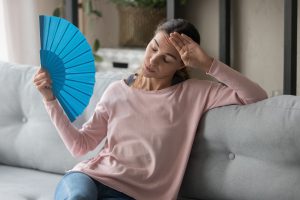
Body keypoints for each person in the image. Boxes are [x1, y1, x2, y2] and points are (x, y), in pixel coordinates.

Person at [33, 18, 268, 200]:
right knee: (78, 197)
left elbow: (255, 96)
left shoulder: (195, 93)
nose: (153, 60)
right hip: (89, 178)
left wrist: (208, 64)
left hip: (134, 194)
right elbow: (79, 145)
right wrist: (50, 100)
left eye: (166, 59)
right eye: (153, 47)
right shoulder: (117, 91)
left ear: (181, 65)